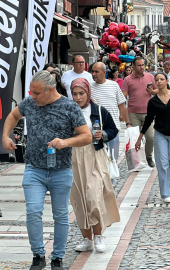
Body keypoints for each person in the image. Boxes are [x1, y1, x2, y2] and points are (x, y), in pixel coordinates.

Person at [2, 71, 92, 270]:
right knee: (33, 212)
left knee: (60, 215)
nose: (32, 96)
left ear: (50, 90)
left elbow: (87, 136)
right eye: (31, 92)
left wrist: (65, 142)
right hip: (34, 168)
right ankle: (38, 255)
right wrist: (5, 136)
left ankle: (58, 257)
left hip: (61, 170)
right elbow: (13, 115)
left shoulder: (69, 107)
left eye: (36, 93)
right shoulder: (29, 103)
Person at [69, 78, 120, 253]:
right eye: (74, 94)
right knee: (79, 198)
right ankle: (86, 239)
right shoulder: (67, 111)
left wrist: (103, 134)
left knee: (94, 195)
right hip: (74, 156)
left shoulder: (98, 110)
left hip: (94, 155)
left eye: (81, 93)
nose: (78, 97)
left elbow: (113, 130)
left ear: (88, 93)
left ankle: (98, 236)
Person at [135, 73, 170, 203]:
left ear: (166, 81)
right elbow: (148, 119)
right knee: (162, 164)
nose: (159, 81)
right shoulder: (153, 101)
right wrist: (140, 137)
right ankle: (166, 193)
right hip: (160, 134)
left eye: (161, 79)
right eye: (156, 80)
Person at [90, 62, 131, 166]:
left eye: (96, 72)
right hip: (95, 130)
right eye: (92, 71)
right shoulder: (89, 87)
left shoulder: (113, 85)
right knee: (97, 161)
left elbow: (122, 105)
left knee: (112, 161)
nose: (94, 74)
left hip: (113, 129)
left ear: (104, 73)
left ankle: (111, 181)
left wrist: (128, 123)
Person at [122, 57, 158, 167]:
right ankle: (136, 160)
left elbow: (157, 91)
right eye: (139, 65)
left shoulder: (150, 77)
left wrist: (152, 91)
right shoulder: (127, 79)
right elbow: (123, 96)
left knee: (151, 137)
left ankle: (148, 156)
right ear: (133, 66)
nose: (141, 67)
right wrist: (122, 112)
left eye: (143, 65)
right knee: (135, 138)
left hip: (149, 113)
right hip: (133, 113)